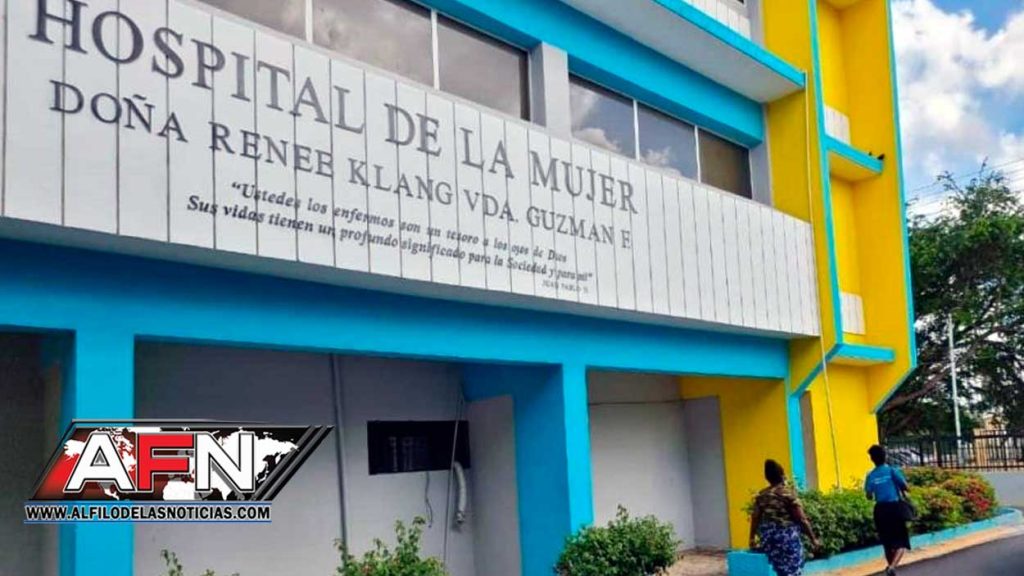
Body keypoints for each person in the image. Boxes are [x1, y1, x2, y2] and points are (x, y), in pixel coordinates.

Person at [749, 459, 821, 576]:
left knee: (781, 570)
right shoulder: (788, 493)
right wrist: (813, 539)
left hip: (769, 538)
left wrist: (752, 538)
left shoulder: (762, 495)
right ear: (782, 476)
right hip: (786, 537)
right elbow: (801, 519)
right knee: (793, 570)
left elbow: (755, 517)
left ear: (767, 478)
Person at [865, 445, 911, 576]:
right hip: (894, 508)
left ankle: (891, 569)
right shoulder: (892, 471)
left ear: (872, 459)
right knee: (901, 542)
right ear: (885, 456)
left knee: (887, 543)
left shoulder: (871, 475)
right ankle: (892, 567)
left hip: (880, 510)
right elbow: (906, 487)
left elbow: (869, 496)